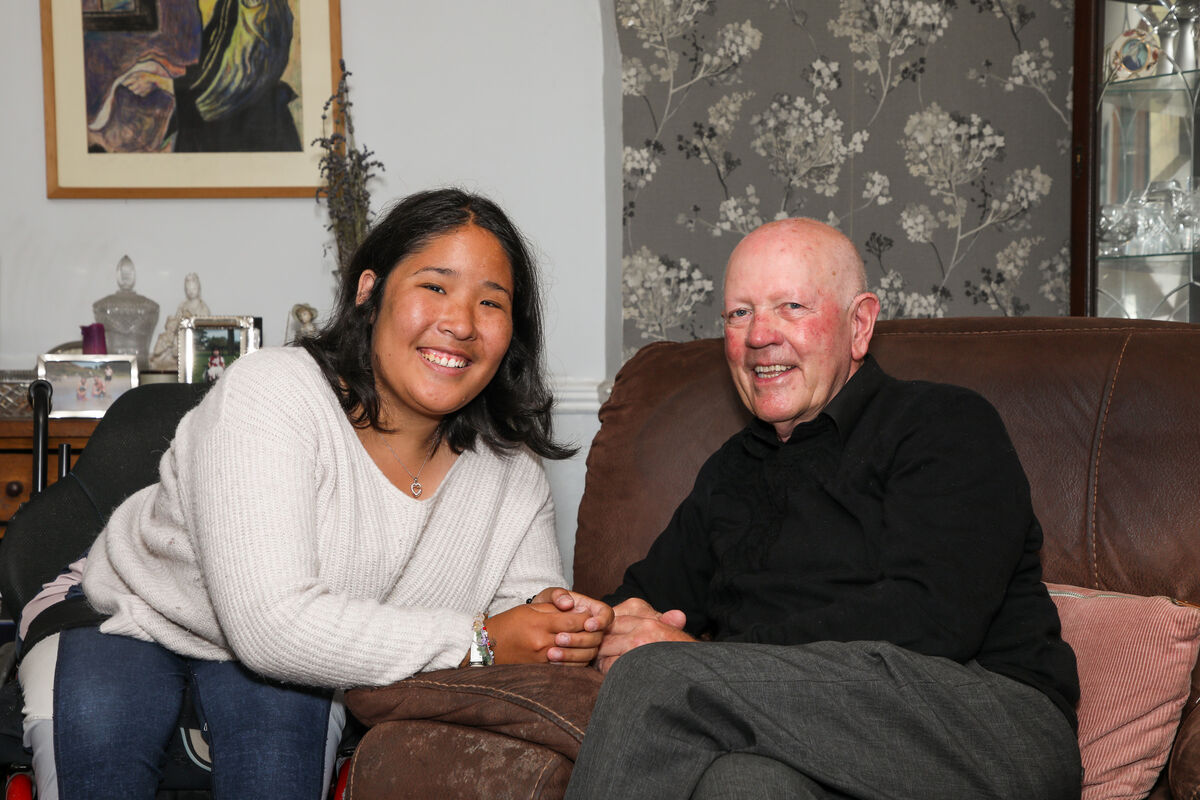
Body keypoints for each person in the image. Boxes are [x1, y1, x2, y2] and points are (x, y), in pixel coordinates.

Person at [26, 188, 611, 799]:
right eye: (434, 287)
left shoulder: (510, 467)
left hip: (297, 660)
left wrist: (582, 627)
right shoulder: (273, 391)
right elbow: (273, 627)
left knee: (276, 768)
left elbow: (530, 620)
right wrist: (481, 641)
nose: (461, 323)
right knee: (100, 750)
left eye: (491, 303)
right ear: (368, 292)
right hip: (129, 613)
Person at [563, 218, 1082, 800]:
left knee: (654, 678)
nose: (760, 335)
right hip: (809, 732)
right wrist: (583, 625)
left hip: (986, 724)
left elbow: (932, 621)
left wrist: (704, 666)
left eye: (790, 306)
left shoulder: (944, 425)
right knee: (741, 785)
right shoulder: (730, 472)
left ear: (859, 325)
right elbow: (644, 601)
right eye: (739, 314)